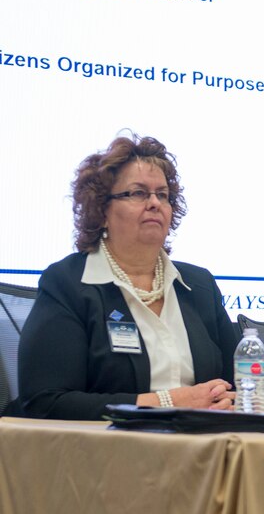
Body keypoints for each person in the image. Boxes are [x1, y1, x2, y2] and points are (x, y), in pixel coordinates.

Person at [18, 135, 239, 420]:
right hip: (108, 454)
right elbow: (46, 402)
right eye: (138, 193)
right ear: (102, 211)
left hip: (203, 450)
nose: (154, 203)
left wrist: (225, 402)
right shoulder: (67, 284)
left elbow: (241, 388)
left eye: (162, 195)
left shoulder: (199, 286)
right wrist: (165, 402)